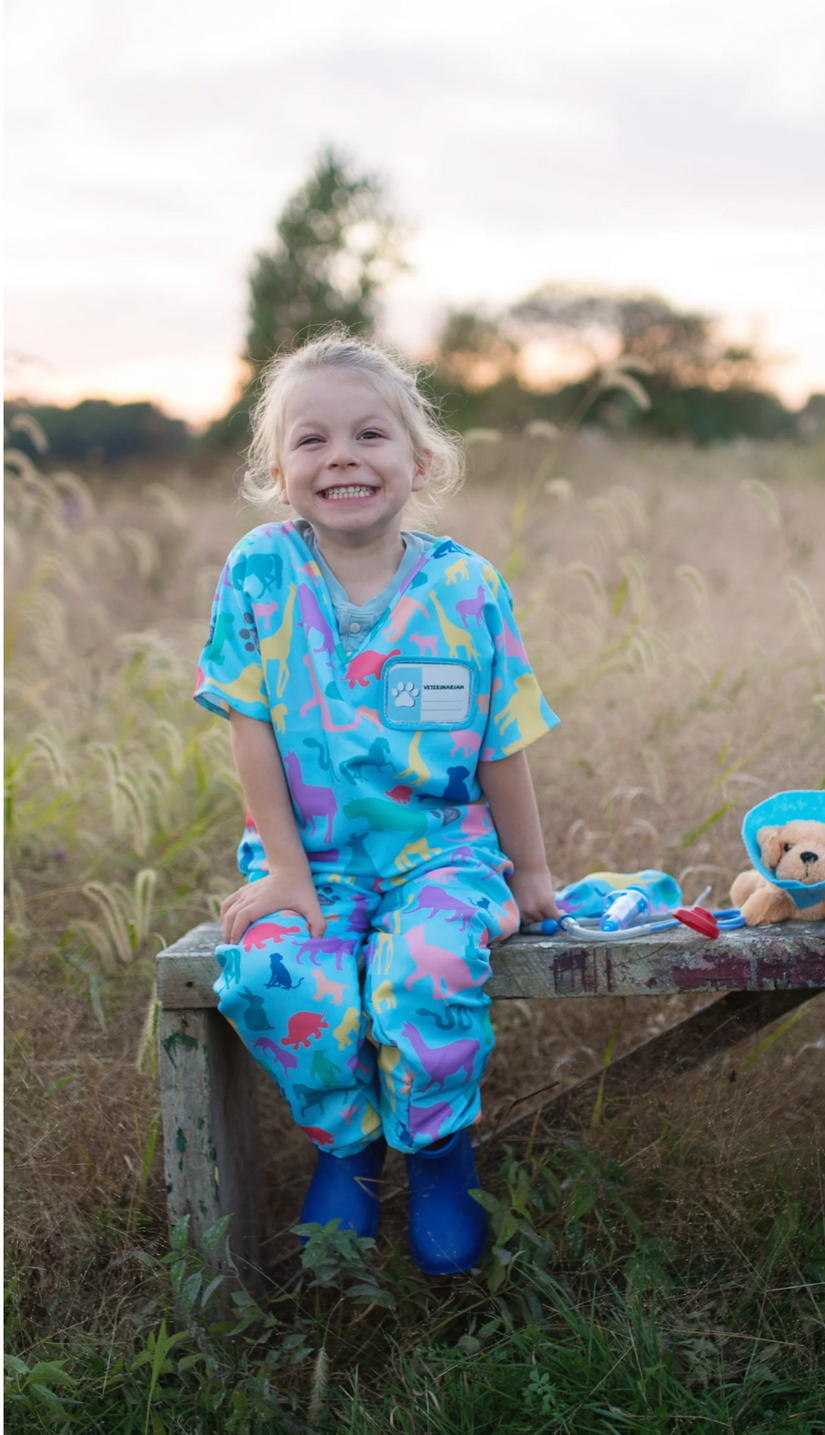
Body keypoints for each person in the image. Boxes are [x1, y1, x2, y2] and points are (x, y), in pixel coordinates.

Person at [195, 332, 560, 1275]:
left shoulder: (465, 589)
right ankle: (349, 1149)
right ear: (278, 472)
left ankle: (438, 1151)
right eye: (312, 440)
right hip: (309, 860)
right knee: (277, 976)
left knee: (428, 970)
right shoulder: (261, 573)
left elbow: (500, 742)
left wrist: (533, 870)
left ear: (419, 460)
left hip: (442, 857)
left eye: (370, 434)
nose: (344, 456)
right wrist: (282, 869)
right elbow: (250, 728)